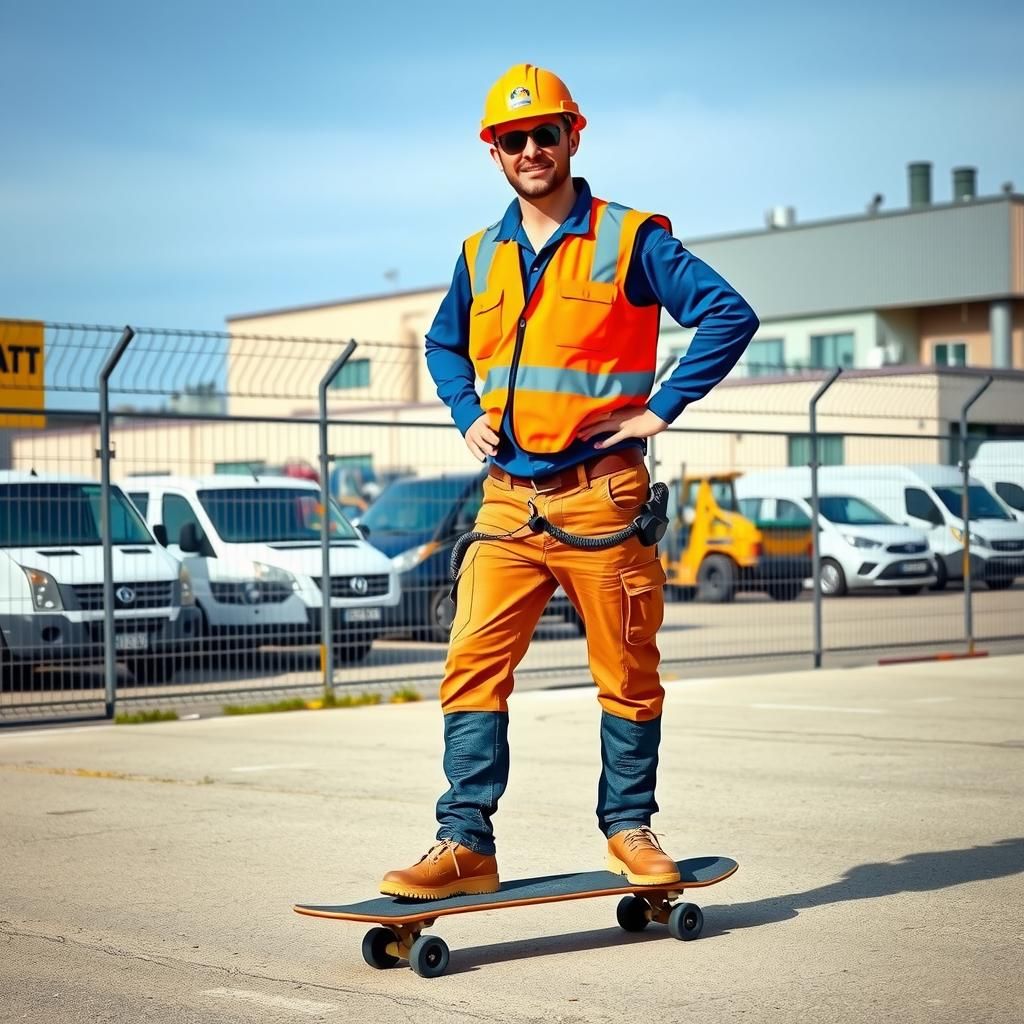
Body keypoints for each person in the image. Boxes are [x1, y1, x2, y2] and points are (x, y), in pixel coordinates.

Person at [380, 64, 758, 899]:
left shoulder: (630, 239)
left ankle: (629, 831)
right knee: (471, 664)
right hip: (508, 501)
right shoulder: (478, 256)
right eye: (512, 139)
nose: (529, 149)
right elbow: (446, 347)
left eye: (544, 133)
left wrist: (662, 408)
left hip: (602, 498)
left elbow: (729, 313)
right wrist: (462, 409)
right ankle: (463, 845)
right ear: (495, 153)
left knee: (626, 670)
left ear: (572, 136)